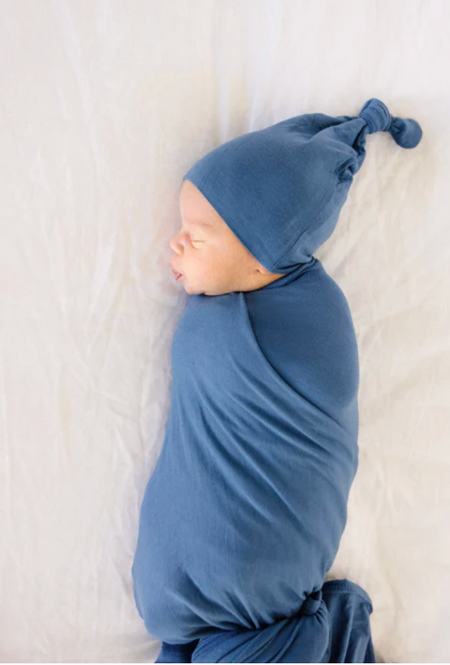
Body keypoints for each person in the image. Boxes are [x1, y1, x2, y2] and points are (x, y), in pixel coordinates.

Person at [131, 98, 423, 663]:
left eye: (197, 235)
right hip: (231, 614)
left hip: (254, 597)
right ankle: (329, 633)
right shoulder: (244, 295)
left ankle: (328, 630)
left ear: (261, 258)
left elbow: (310, 435)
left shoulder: (311, 322)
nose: (176, 243)